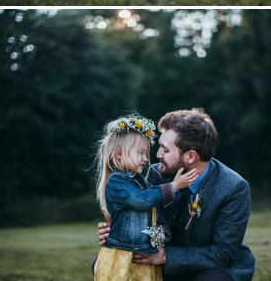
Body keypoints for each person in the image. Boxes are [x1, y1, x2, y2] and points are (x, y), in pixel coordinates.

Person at [97, 108, 256, 281]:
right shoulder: (157, 173)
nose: (157, 155)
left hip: (211, 267)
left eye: (165, 150)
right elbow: (144, 213)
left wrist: (167, 257)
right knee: (106, 266)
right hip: (166, 264)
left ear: (190, 156)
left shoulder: (233, 188)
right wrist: (118, 231)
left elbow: (224, 253)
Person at [92, 113, 199, 280]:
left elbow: (156, 210)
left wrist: (162, 233)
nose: (145, 159)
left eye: (145, 153)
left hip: (144, 257)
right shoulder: (117, 181)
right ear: (119, 154)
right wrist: (174, 186)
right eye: (140, 153)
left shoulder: (142, 183)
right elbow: (142, 200)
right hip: (123, 255)